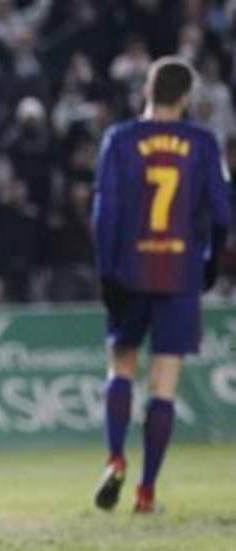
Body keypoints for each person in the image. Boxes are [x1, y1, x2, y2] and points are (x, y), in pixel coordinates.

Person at [92, 57, 231, 513]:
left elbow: (105, 212)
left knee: (121, 366)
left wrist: (106, 269)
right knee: (163, 383)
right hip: (179, 272)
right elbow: (223, 211)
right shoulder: (203, 142)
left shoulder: (120, 139)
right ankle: (147, 491)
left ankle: (115, 457)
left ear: (146, 91)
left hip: (130, 269)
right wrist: (211, 260)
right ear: (186, 97)